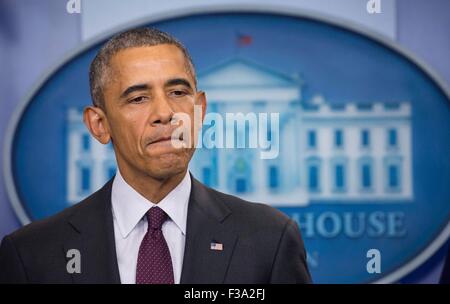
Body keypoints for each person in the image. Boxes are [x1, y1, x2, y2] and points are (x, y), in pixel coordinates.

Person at [0, 28, 311, 284]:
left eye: (178, 93)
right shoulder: (31, 255)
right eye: (138, 98)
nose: (165, 113)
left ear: (199, 111)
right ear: (99, 124)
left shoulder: (270, 240)